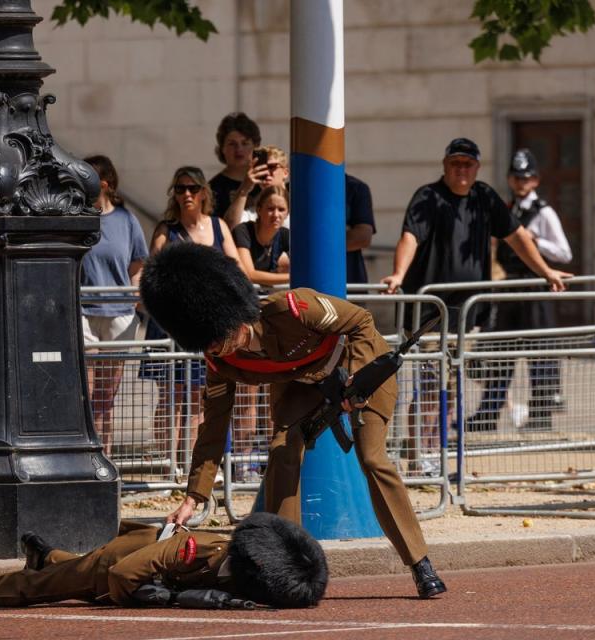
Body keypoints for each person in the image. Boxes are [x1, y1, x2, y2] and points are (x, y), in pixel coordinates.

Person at [139, 242, 447, 599]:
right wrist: (193, 497)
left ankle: (419, 562)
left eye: (221, 340)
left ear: (234, 318)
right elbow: (214, 426)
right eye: (209, 345)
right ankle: (285, 567)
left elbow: (361, 322)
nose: (219, 351)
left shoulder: (294, 308)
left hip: (361, 367)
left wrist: (355, 384)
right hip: (304, 384)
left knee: (372, 457)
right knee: (282, 451)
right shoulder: (219, 360)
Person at [380, 138, 571, 460]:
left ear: (477, 167)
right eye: (455, 163)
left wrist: (546, 271)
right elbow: (410, 236)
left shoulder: (484, 196)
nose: (461, 170)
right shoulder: (428, 197)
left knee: (450, 388)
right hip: (432, 310)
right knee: (430, 385)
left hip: (469, 313)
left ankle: (433, 452)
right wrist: (398, 274)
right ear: (445, 166)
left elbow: (516, 235)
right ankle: (416, 455)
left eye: (467, 164)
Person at [0, 512, 328, 610]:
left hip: (142, 558)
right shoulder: (194, 552)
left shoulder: (249, 571)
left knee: (64, 566)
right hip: (121, 561)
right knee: (47, 585)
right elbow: (120, 577)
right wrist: (169, 599)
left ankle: (47, 554)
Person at [138, 166, 241, 475]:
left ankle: (191, 464)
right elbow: (150, 274)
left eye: (192, 189)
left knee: (198, 396)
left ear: (203, 193)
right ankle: (170, 466)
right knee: (171, 395)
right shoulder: (166, 229)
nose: (186, 195)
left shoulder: (218, 227)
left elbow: (235, 269)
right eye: (181, 189)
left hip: (205, 323)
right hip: (170, 321)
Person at [467, 148, 573, 432]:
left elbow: (564, 253)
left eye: (526, 178)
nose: (521, 182)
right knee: (502, 354)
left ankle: (541, 416)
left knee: (540, 355)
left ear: (535, 180)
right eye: (516, 177)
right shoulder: (508, 209)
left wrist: (536, 241)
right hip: (510, 290)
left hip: (535, 290)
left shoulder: (544, 212)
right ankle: (488, 414)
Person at [80, 155, 148, 454]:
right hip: (83, 311)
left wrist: (134, 294)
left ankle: (104, 454)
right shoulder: (75, 219)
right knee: (88, 389)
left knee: (107, 394)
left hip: (119, 313)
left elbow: (138, 262)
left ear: (104, 184)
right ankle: (87, 452)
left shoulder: (126, 220)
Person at [231, 184, 291, 479]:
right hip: (245, 317)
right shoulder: (243, 231)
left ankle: (272, 456)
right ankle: (243, 459)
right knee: (248, 392)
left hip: (273, 320)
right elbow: (248, 274)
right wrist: (286, 276)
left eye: (281, 209)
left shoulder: (287, 237)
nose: (275, 215)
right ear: (259, 210)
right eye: (270, 208)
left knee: (276, 390)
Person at [208, 112, 262, 227]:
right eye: (232, 144)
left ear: (255, 146)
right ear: (222, 148)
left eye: (245, 143)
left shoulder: (266, 179)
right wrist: (244, 189)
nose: (239, 149)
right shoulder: (213, 189)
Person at [226, 144, 291, 229]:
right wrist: (244, 188)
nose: (266, 173)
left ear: (285, 173)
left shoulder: (300, 204)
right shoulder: (254, 211)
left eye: (271, 167)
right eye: (261, 168)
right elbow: (230, 229)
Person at [345, 174, 375, 285]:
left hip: (350, 280)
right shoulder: (293, 187)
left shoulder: (355, 187)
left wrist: (311, 248)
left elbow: (363, 237)